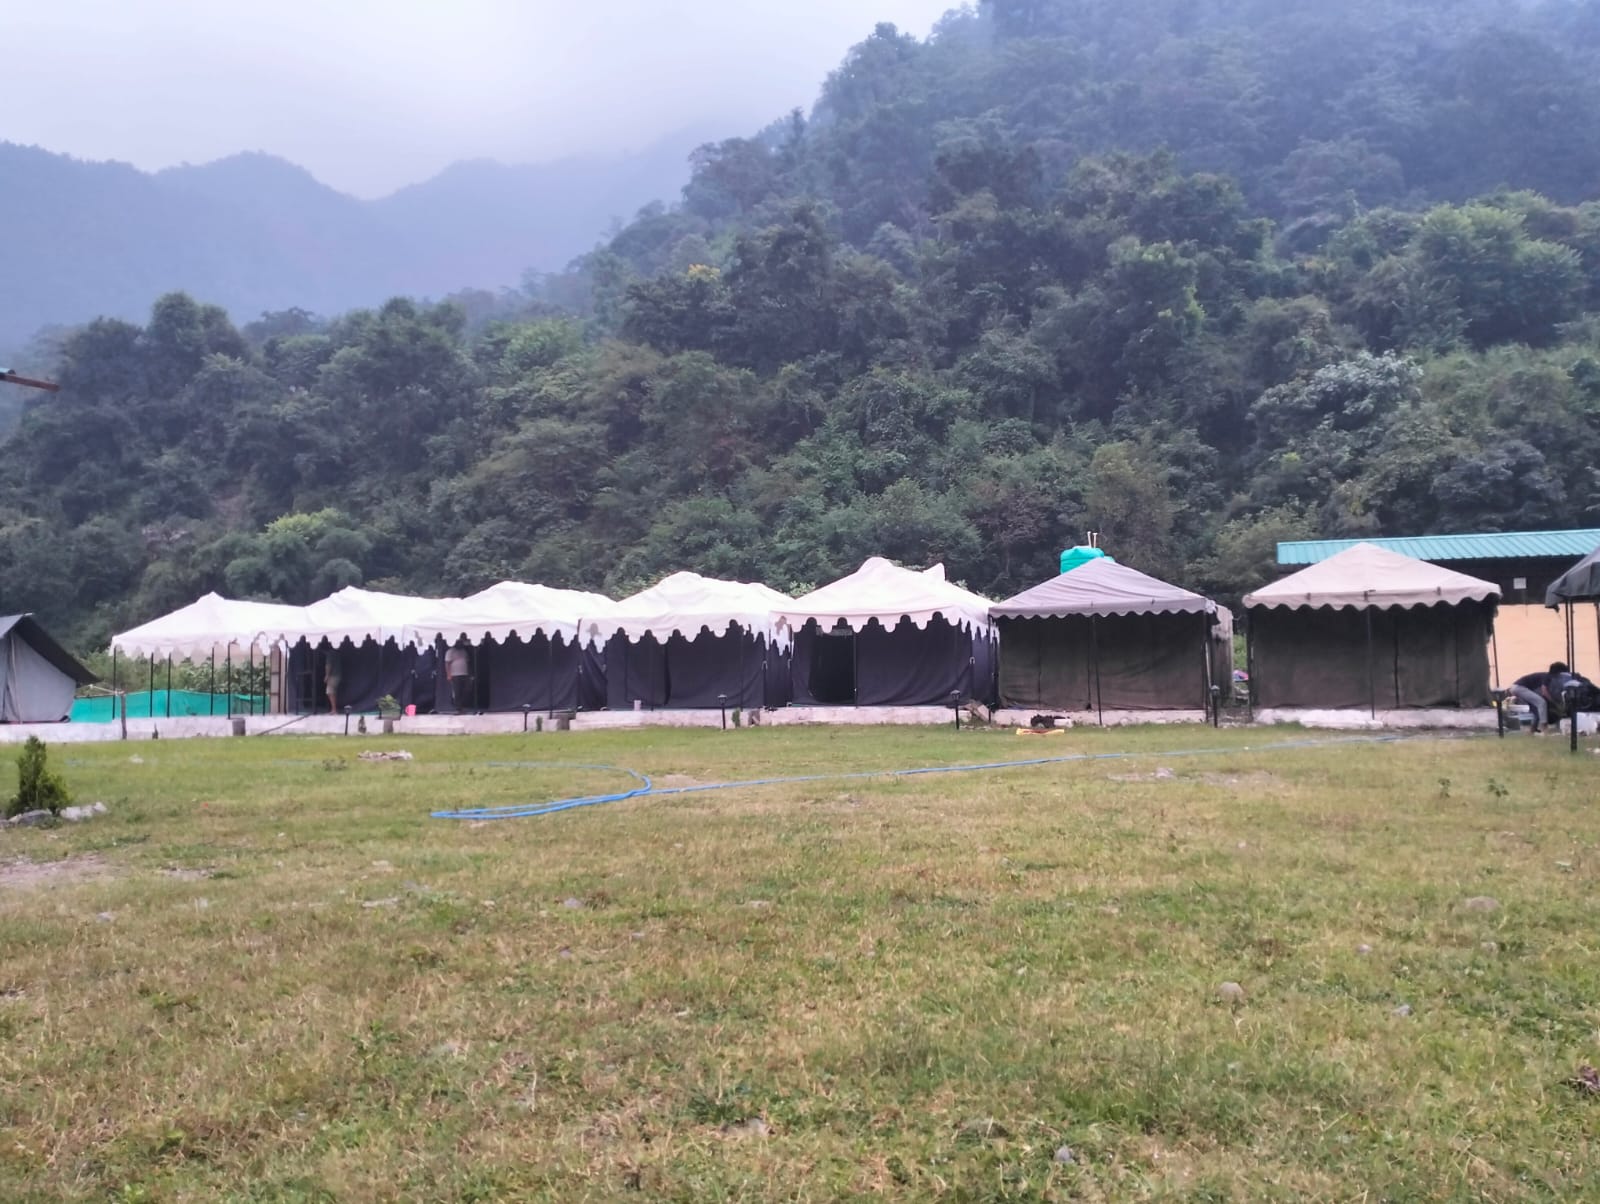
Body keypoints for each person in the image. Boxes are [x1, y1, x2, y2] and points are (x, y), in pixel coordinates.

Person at [1510, 662, 1574, 735]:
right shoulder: (1548, 676)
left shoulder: (1548, 676)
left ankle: (1532, 730)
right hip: (1519, 688)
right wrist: (1553, 701)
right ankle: (1544, 728)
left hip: (1518, 687)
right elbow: (1544, 691)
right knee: (1542, 703)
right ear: (1558, 673)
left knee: (1538, 708)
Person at [444, 638, 473, 712]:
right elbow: (447, 664)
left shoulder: (464, 651)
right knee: (457, 691)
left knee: (466, 689)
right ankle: (458, 708)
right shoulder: (450, 651)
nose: (461, 644)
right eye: (459, 642)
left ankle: (463, 705)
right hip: (455, 674)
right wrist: (448, 674)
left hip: (465, 673)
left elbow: (467, 662)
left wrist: (469, 673)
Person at [323, 645, 343, 715]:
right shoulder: (337, 653)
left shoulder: (330, 654)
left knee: (330, 692)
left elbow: (328, 665)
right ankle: (334, 709)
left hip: (333, 676)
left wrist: (327, 676)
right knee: (333, 692)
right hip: (338, 675)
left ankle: (334, 710)